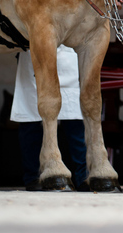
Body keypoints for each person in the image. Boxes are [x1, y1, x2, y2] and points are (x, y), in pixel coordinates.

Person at [10, 46, 88, 191]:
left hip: (69, 58)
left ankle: (83, 177)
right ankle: (33, 177)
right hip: (34, 56)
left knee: (76, 122)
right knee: (32, 119)